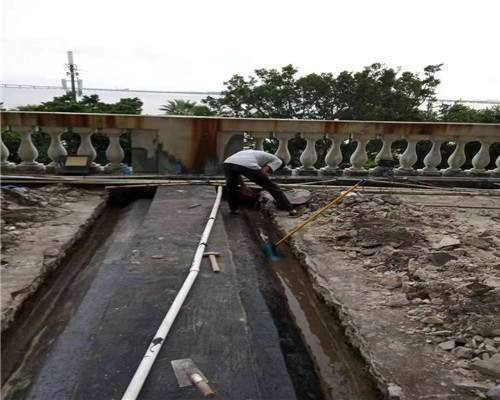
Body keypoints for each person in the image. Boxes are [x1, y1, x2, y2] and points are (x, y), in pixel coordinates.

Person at [223, 149, 297, 216]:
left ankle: (234, 210)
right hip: (247, 164)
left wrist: (243, 186)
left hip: (228, 162)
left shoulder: (259, 154)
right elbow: (263, 172)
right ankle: (290, 209)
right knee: (272, 187)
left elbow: (237, 172)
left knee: (232, 187)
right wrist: (264, 184)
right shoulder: (278, 161)